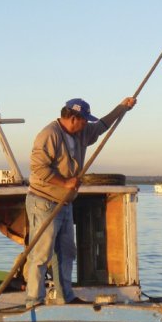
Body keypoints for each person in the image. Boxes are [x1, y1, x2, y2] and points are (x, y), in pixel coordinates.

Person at [23, 96, 137, 308]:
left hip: (65, 203)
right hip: (44, 201)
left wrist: (122, 108)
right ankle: (33, 301)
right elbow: (38, 169)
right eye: (84, 120)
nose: (86, 124)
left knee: (66, 252)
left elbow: (102, 125)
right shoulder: (49, 135)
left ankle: (65, 296)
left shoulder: (82, 132)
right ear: (73, 118)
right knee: (41, 254)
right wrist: (65, 182)